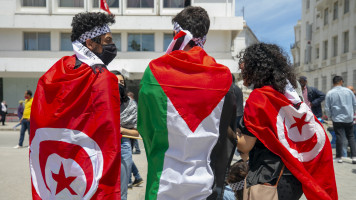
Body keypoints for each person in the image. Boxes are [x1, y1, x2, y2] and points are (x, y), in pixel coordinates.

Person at [138, 6, 236, 200]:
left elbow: (145, 127)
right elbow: (225, 131)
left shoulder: (155, 71)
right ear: (204, 35)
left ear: (177, 34)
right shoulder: (223, 76)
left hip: (163, 184)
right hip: (205, 185)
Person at [29, 12, 122, 199]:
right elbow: (108, 136)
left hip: (55, 166)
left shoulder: (52, 74)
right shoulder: (103, 79)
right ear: (90, 44)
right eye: (107, 40)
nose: (112, 46)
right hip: (89, 167)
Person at [237, 43, 337, 200]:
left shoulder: (259, 98)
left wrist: (227, 131)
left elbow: (245, 144)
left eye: (245, 63)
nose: (242, 67)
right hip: (294, 177)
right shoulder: (287, 96)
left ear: (255, 67)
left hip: (268, 177)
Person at [111, 70, 142, 198]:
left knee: (122, 191)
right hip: (103, 147)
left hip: (123, 145)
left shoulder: (130, 105)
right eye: (115, 82)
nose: (119, 85)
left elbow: (137, 132)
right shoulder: (98, 100)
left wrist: (121, 130)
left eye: (121, 82)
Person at [325, 76, 356, 164]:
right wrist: (352, 113)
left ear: (333, 83)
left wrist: (330, 117)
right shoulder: (349, 91)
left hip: (337, 118)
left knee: (339, 136)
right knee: (351, 136)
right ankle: (354, 157)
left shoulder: (330, 93)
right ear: (341, 82)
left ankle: (339, 157)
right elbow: (354, 104)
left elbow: (327, 107)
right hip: (348, 118)